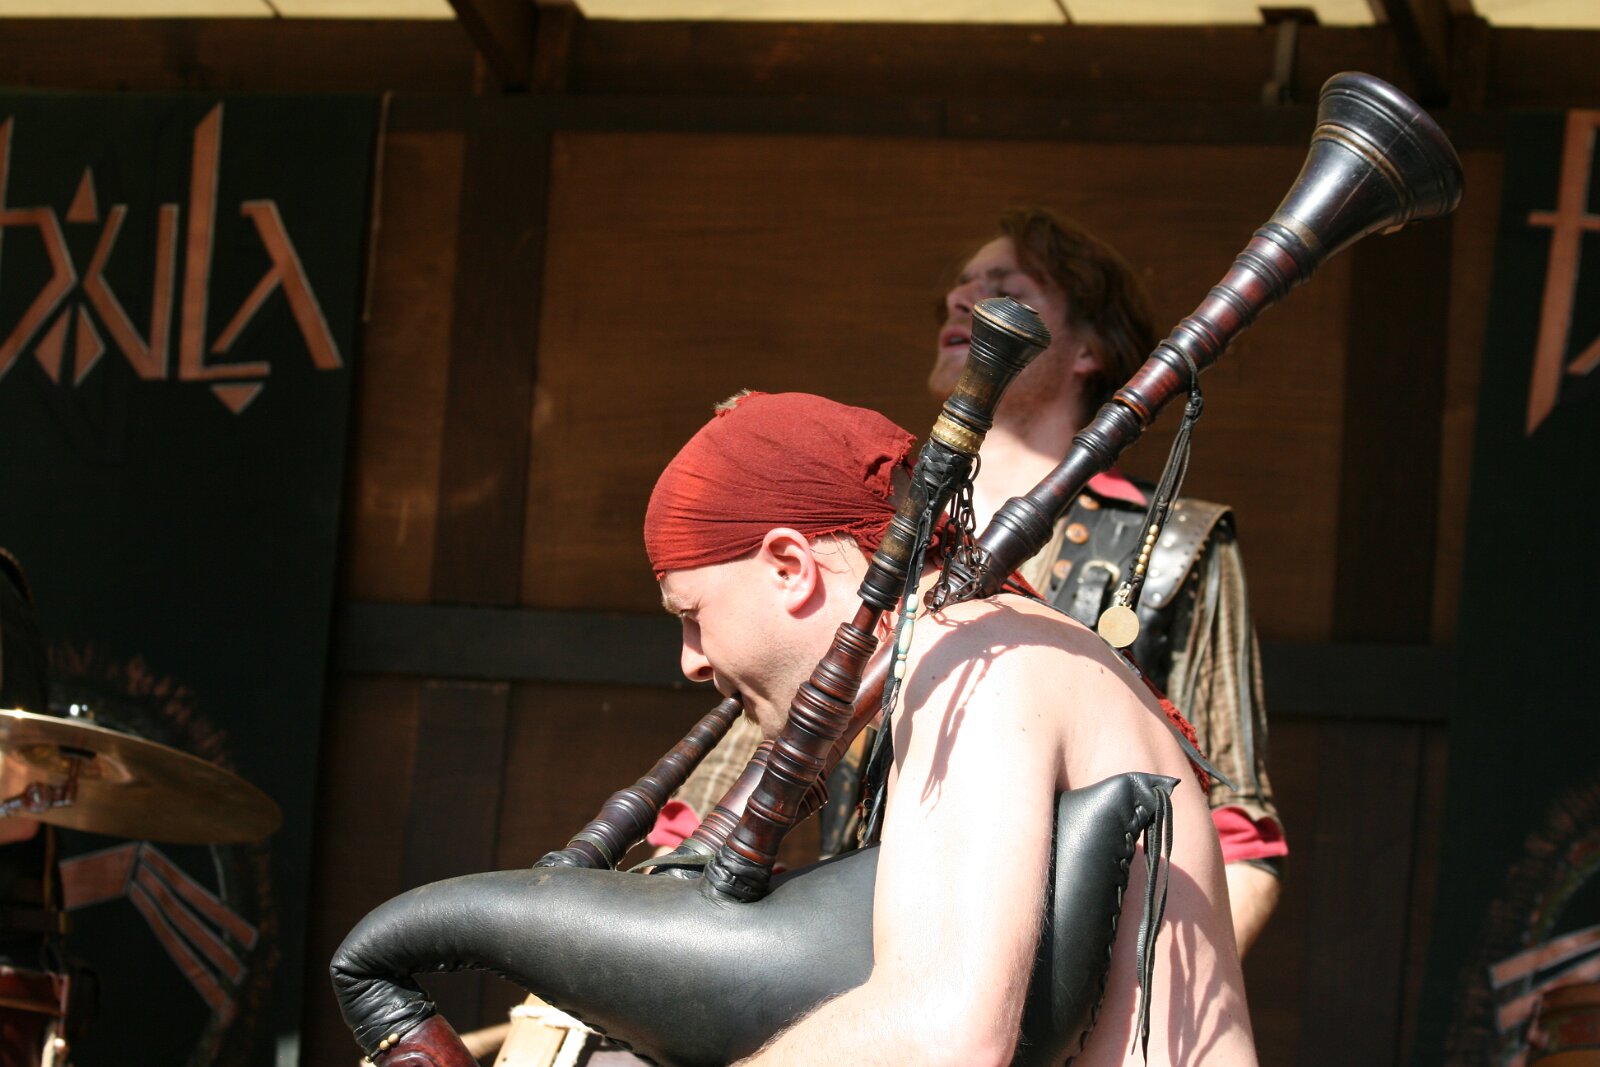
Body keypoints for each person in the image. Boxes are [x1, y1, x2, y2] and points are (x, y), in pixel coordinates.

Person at [660, 208, 1286, 956]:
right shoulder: (864, 530)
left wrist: (1117, 1010)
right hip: (862, 957)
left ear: (1088, 349)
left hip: (1069, 975)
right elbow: (719, 794)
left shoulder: (1179, 543)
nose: (961, 299)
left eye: (1004, 285)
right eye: (960, 286)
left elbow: (1239, 847)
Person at [646, 391, 1257, 1065]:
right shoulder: (975, 651)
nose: (691, 660)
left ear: (790, 567)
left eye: (692, 614)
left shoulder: (974, 659)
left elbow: (941, 1035)